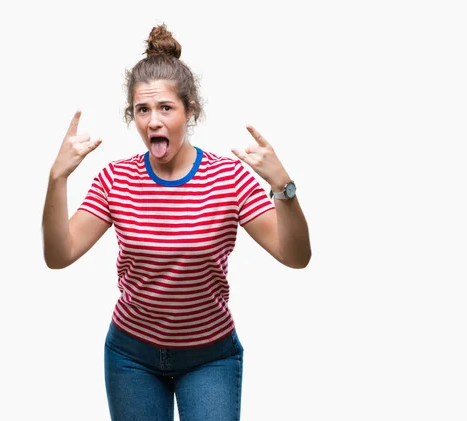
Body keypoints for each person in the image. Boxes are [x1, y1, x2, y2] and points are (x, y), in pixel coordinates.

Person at [42, 23, 311, 421]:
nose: (153, 121)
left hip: (210, 358)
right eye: (142, 109)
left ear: (190, 111)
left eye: (165, 108)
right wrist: (57, 179)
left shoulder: (228, 179)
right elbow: (59, 255)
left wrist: (282, 186)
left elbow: (296, 256)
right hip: (131, 357)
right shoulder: (115, 180)